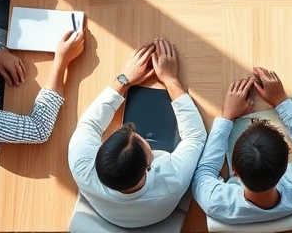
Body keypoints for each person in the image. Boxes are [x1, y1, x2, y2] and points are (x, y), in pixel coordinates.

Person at [68, 38, 207, 228]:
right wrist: (171, 80)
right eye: (141, 140)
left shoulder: (82, 167)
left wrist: (124, 79)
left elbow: (89, 124)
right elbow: (196, 136)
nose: (138, 134)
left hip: (108, 215)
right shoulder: (171, 179)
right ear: (149, 165)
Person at [192, 68, 292, 226]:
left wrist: (227, 116)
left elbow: (202, 174)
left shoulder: (215, 202)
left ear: (235, 172)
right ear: (286, 166)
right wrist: (281, 100)